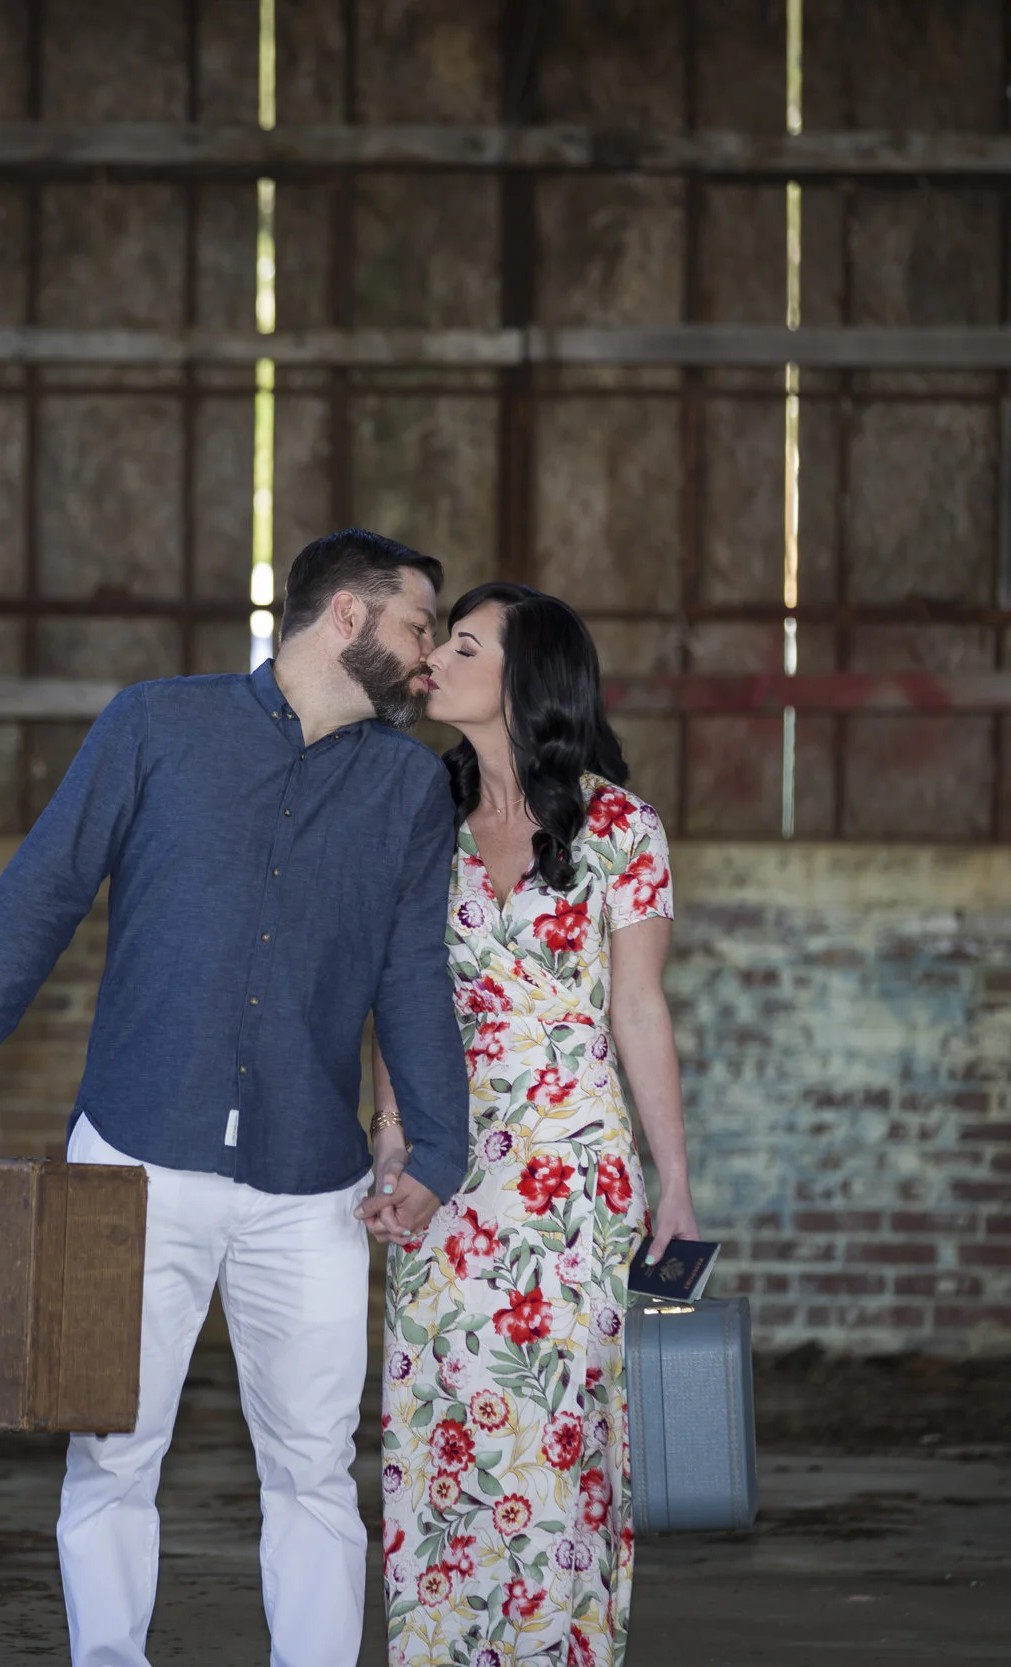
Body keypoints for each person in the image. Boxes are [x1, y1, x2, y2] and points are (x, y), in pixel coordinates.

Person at [0, 528, 475, 1667]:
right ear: (348, 619)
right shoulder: (154, 724)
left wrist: (435, 1149)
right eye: (419, 626)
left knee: (316, 1464)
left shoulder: (412, 787)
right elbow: (42, 891)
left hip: (310, 1180)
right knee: (111, 1451)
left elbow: (412, 973)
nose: (430, 658)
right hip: (131, 1150)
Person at [366, 581, 696, 1667]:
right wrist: (388, 1133)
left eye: (462, 645)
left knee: (552, 1443)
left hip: (573, 1183)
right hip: (447, 1175)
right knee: (443, 1434)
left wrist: (675, 1186)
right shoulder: (422, 815)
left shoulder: (621, 828)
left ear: (524, 675)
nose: (435, 662)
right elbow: (394, 993)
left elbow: (638, 1010)